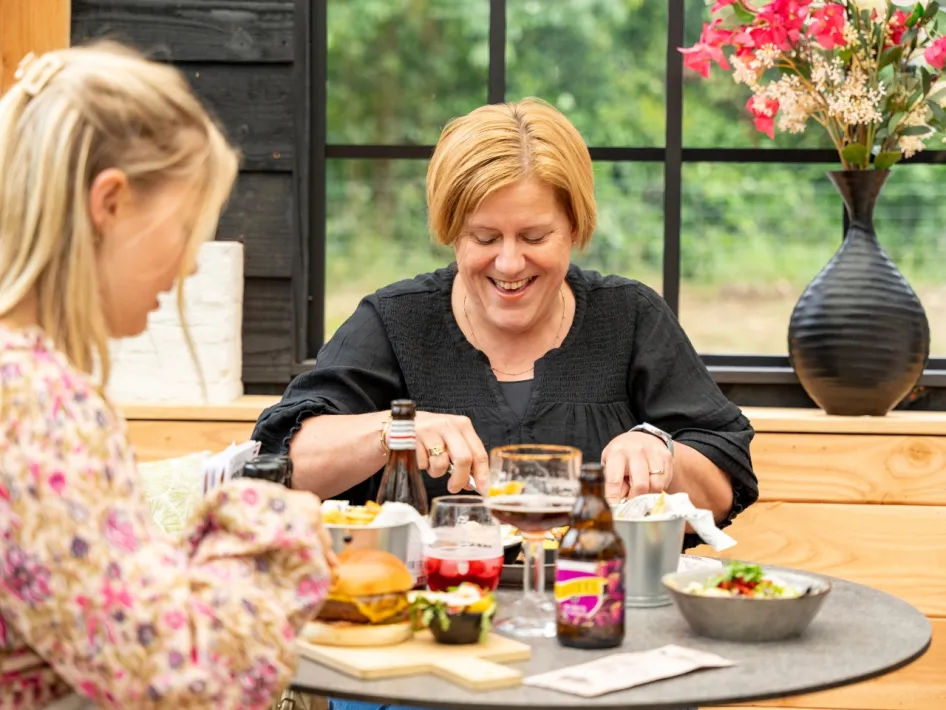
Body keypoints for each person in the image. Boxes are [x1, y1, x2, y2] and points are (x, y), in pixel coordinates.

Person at [256, 97, 755, 710]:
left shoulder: (628, 318)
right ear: (450, 232)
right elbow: (283, 465)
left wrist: (661, 450)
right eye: (484, 237)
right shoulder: (395, 321)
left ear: (576, 227)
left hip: (603, 655)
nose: (510, 263)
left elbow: (723, 483)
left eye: (536, 236)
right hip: (424, 666)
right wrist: (395, 430)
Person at [0, 44, 336, 710]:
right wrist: (271, 533)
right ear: (111, 202)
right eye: (184, 228)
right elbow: (174, 682)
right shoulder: (37, 404)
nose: (188, 268)